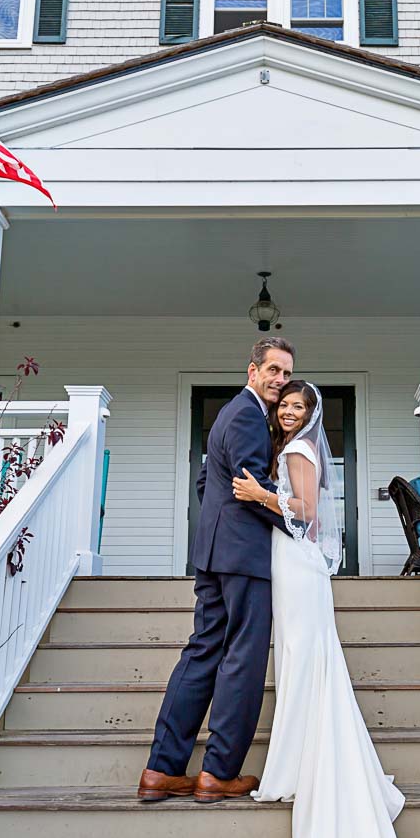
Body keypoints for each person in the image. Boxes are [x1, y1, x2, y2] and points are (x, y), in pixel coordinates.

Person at [232, 379, 420, 838]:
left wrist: (261, 495)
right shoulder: (292, 449)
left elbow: (306, 513)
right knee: (297, 658)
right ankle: (296, 757)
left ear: (310, 415)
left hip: (295, 561)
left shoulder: (298, 453)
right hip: (293, 563)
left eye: (298, 407)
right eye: (283, 405)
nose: (288, 412)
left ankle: (299, 760)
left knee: (303, 657)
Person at [138, 338, 294, 804]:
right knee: (242, 659)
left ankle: (161, 770)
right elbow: (251, 486)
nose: (279, 380)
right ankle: (218, 773)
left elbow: (210, 481)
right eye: (273, 370)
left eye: (286, 373)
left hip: (213, 552)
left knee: (203, 652)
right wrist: (299, 520)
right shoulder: (247, 416)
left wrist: (220, 524)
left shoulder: (228, 413)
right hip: (243, 557)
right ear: (252, 370)